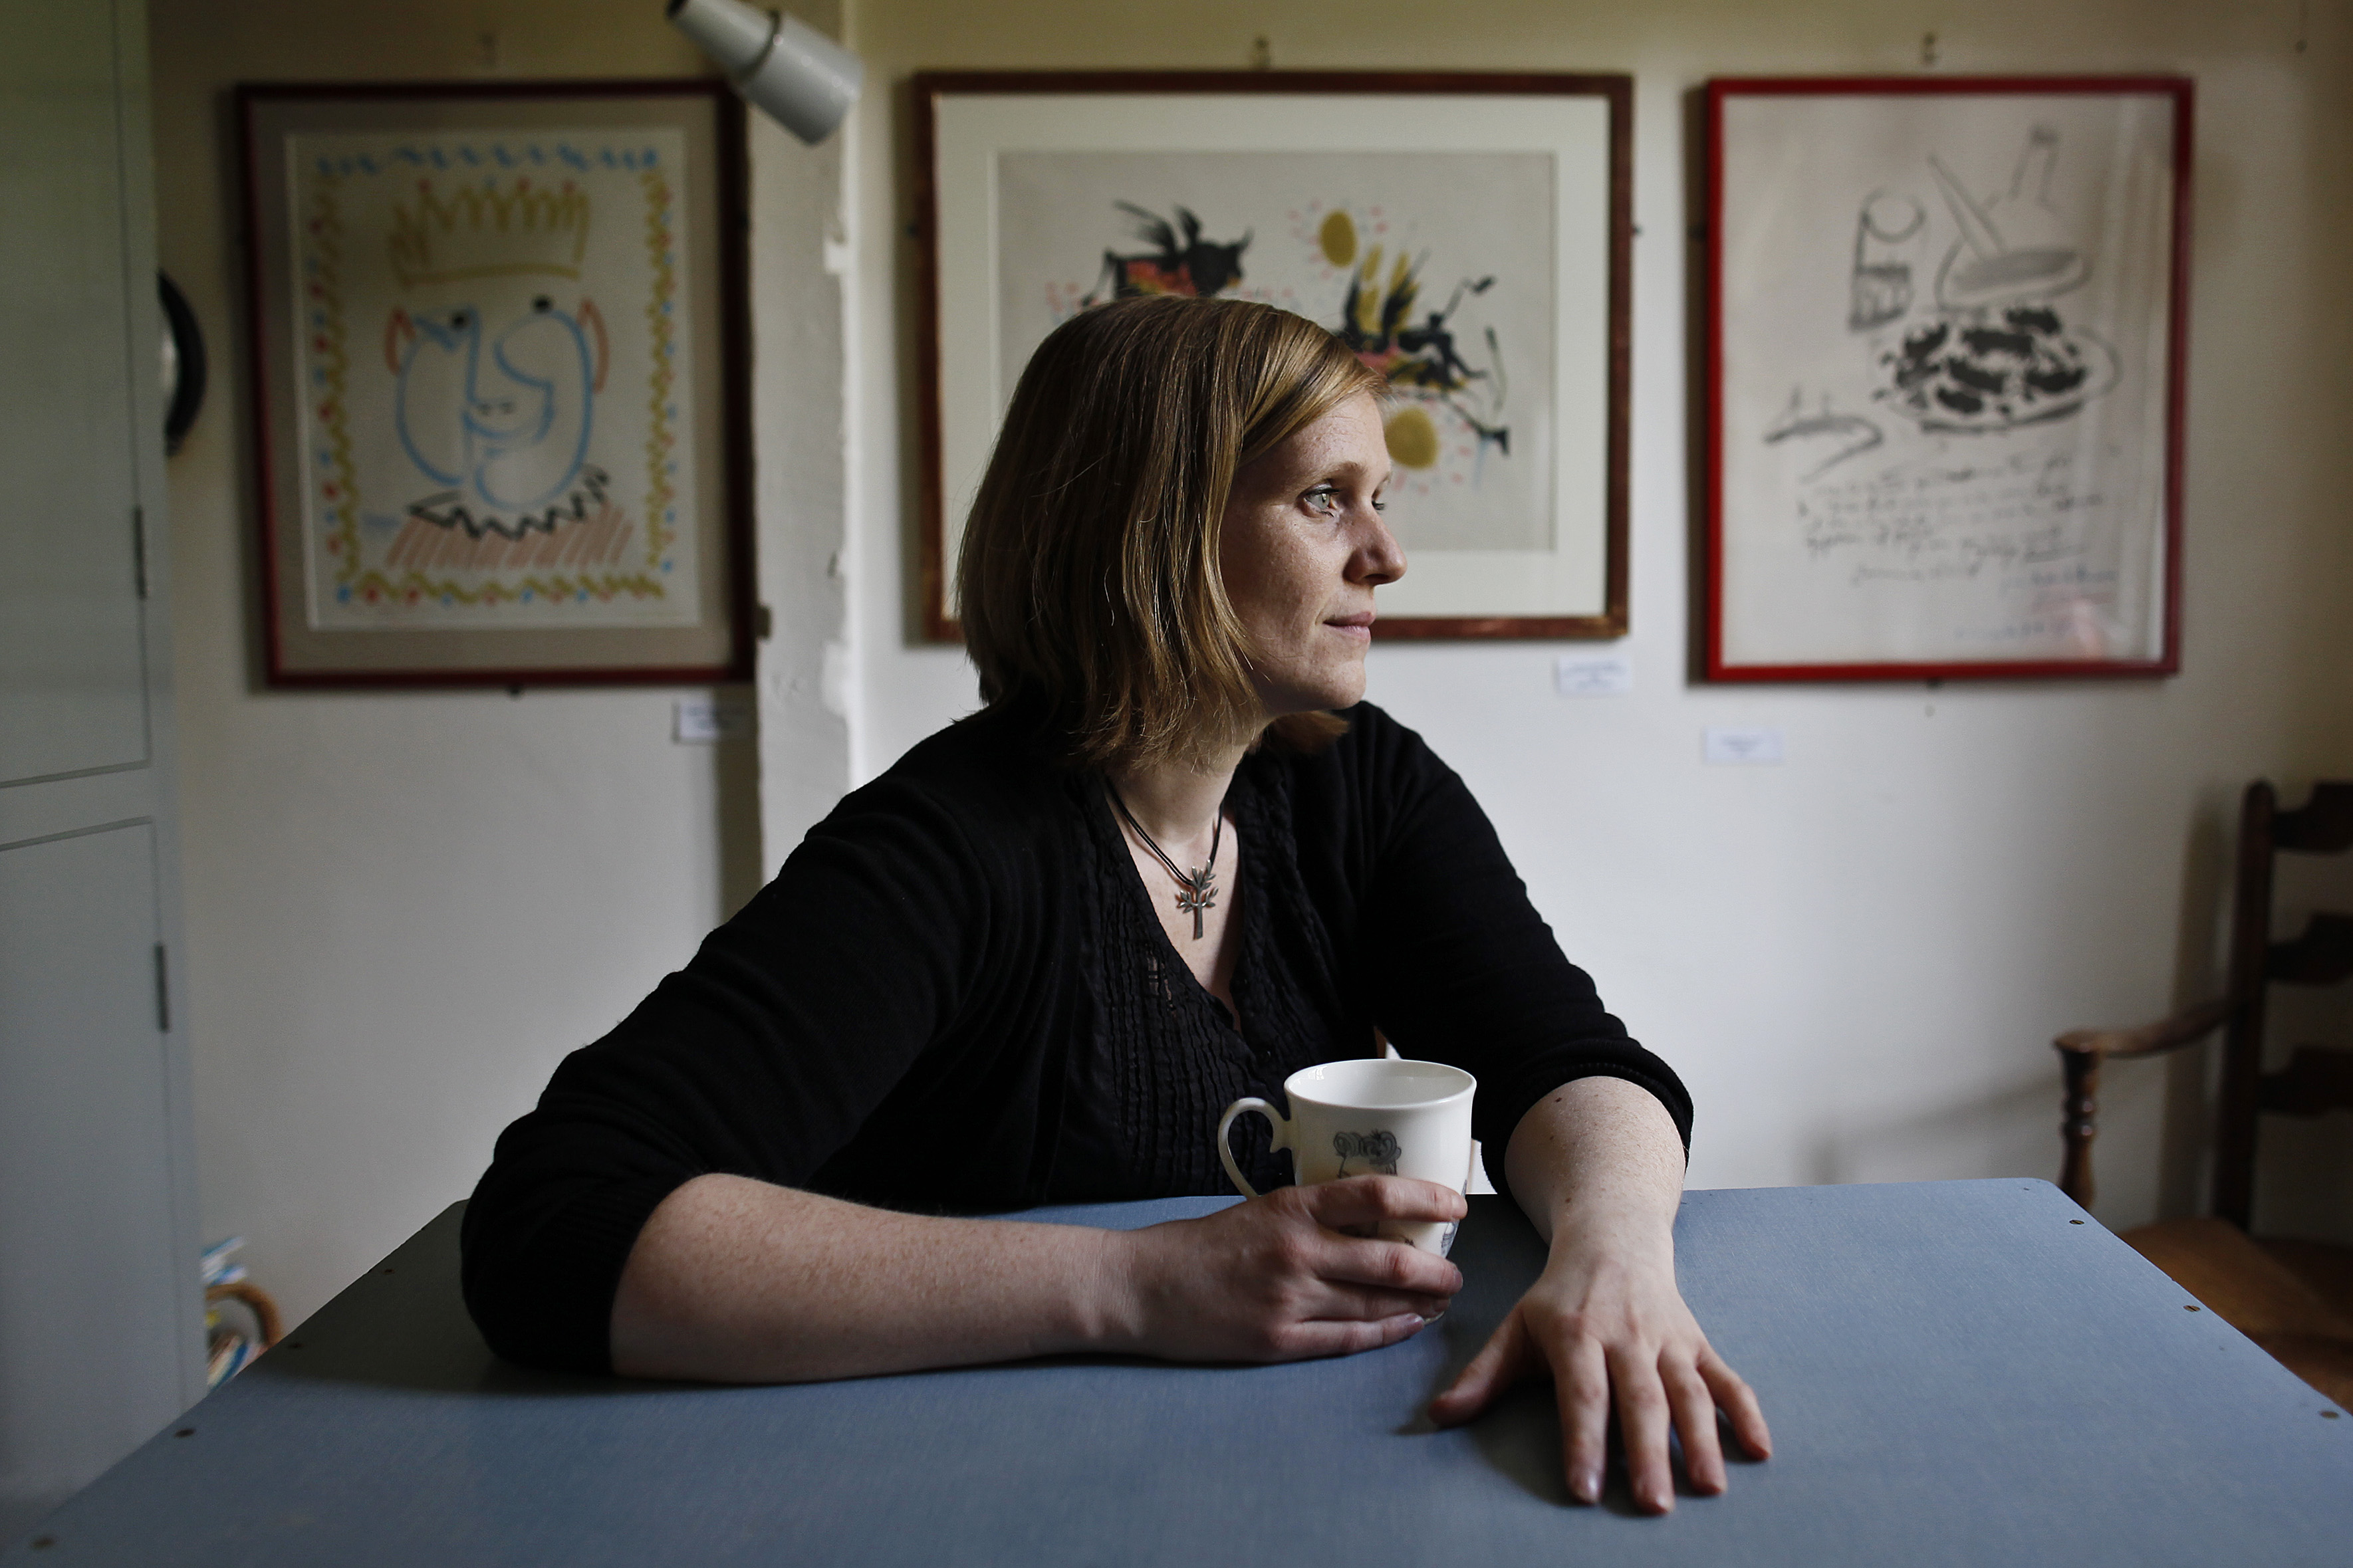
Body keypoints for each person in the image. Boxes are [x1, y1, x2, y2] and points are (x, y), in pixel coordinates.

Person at [461, 294, 1770, 1514]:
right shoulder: (950, 848)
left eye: (1380, 499)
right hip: (953, 1498)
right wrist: (1134, 1284)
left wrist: (1615, 1255)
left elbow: (1573, 1061)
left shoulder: (1361, 787)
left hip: (1298, 1488)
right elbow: (553, 1226)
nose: (1389, 554)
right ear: (1161, 530)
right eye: (1327, 499)